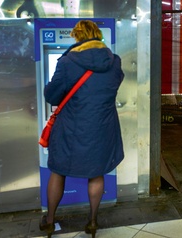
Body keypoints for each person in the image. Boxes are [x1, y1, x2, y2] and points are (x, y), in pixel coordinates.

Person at [39, 20, 124, 238]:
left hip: (71, 128)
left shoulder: (68, 61)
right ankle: (93, 222)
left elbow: (51, 95)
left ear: (77, 36)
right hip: (103, 127)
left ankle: (49, 222)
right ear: (97, 35)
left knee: (58, 171)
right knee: (96, 173)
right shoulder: (114, 61)